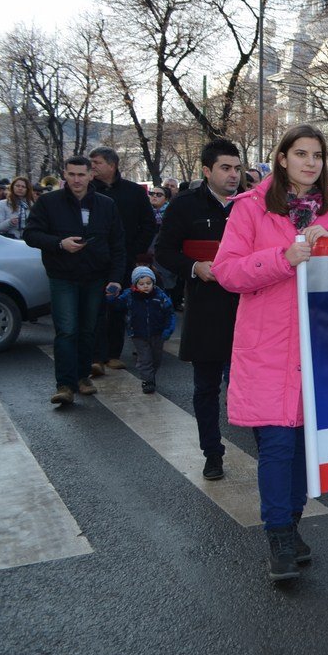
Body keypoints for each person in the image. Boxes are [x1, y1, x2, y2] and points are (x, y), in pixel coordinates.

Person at [211, 124, 328, 583]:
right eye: (301, 154)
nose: (310, 163)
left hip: (318, 347)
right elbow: (228, 272)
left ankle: (290, 526)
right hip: (268, 346)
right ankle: (278, 537)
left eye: (318, 155)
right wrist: (284, 258)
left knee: (304, 446)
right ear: (282, 158)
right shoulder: (250, 208)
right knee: (276, 445)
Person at [155, 138, 244, 481]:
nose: (233, 175)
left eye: (237, 168)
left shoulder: (251, 204)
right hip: (206, 307)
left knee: (249, 383)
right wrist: (194, 267)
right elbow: (164, 251)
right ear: (207, 171)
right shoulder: (185, 206)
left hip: (248, 307)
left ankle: (266, 447)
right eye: (225, 168)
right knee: (206, 387)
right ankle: (212, 452)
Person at [22, 157, 125, 406]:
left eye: (81, 174)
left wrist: (115, 278)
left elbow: (117, 244)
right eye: (72, 174)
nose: (76, 179)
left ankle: (82, 377)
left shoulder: (106, 204)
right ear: (64, 175)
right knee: (67, 330)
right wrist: (60, 244)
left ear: (91, 175)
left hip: (95, 276)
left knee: (88, 330)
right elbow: (31, 234)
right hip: (63, 276)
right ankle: (65, 385)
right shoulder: (49, 202)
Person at [88, 147, 156, 376]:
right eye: (91, 162)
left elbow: (148, 224)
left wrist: (134, 251)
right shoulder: (88, 190)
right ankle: (95, 356)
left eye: (97, 162)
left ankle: (113, 353)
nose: (92, 167)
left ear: (112, 165)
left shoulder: (133, 191)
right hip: (94, 259)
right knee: (94, 307)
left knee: (118, 306)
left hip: (124, 258)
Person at [109, 266, 175, 394]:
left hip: (157, 333)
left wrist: (168, 329)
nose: (145, 286)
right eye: (141, 284)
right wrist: (111, 298)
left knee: (156, 358)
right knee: (145, 358)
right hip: (138, 333)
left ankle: (150, 376)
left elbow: (170, 313)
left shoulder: (160, 296)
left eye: (148, 283)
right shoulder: (129, 295)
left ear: (153, 283)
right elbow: (118, 306)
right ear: (135, 284)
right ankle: (147, 380)